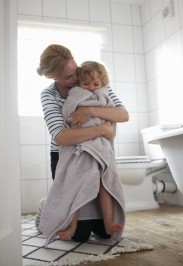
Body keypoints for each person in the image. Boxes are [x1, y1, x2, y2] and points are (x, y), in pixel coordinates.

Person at [36, 44, 129, 243]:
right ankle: (48, 206)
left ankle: (91, 216)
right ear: (54, 77)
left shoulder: (90, 80)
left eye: (75, 70)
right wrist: (102, 129)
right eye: (68, 77)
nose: (76, 78)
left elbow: (122, 114)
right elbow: (61, 136)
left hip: (96, 152)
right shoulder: (49, 95)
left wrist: (90, 112)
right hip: (68, 156)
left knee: (105, 233)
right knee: (79, 235)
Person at [56, 61, 123, 240]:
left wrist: (94, 112)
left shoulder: (106, 93)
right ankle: (72, 224)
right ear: (79, 82)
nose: (92, 88)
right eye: (86, 84)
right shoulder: (74, 95)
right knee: (78, 183)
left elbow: (121, 115)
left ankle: (108, 222)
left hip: (101, 147)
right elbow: (68, 116)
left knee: (105, 185)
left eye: (96, 85)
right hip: (82, 147)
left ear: (102, 83)